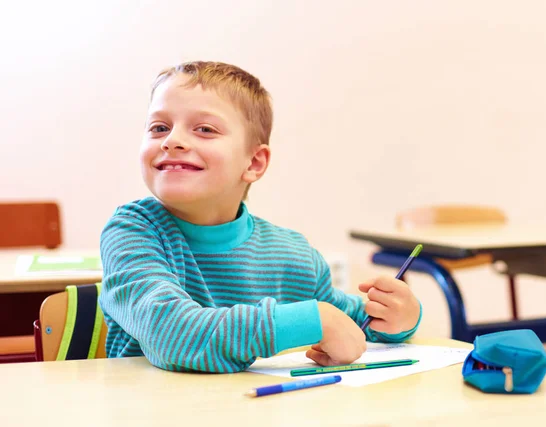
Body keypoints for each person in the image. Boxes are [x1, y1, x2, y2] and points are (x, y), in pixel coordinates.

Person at [99, 60, 422, 372]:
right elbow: (171, 335)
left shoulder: (292, 254)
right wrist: (311, 321)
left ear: (254, 163)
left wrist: (397, 318)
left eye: (205, 129)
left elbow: (349, 325)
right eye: (159, 127)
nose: (172, 141)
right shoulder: (132, 232)